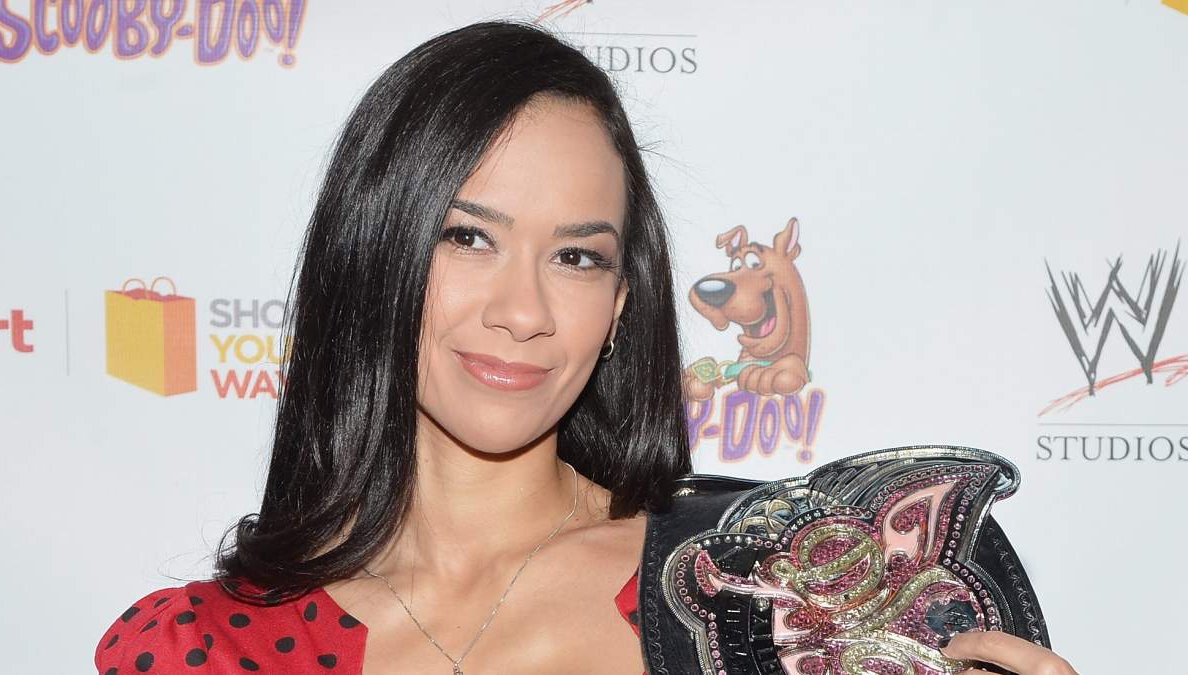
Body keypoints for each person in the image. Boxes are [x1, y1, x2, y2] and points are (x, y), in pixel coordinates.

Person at [94, 21, 1079, 675]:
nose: (523, 310)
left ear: (617, 305)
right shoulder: (197, 648)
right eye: (468, 237)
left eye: (575, 256)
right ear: (377, 253)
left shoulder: (769, 591)